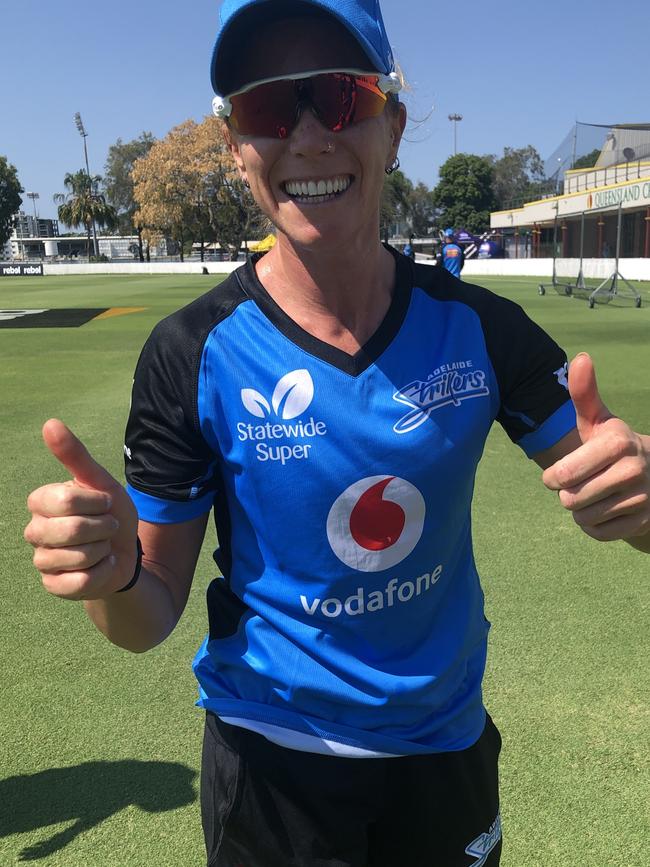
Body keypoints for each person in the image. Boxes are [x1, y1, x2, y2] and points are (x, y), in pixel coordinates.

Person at [24, 1, 650, 865]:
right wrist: (112, 570)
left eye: (341, 96)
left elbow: (618, 492)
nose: (310, 136)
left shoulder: (478, 329)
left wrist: (640, 498)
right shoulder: (192, 354)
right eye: (268, 108)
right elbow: (145, 617)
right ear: (237, 145)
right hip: (271, 765)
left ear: (392, 124)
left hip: (444, 749)